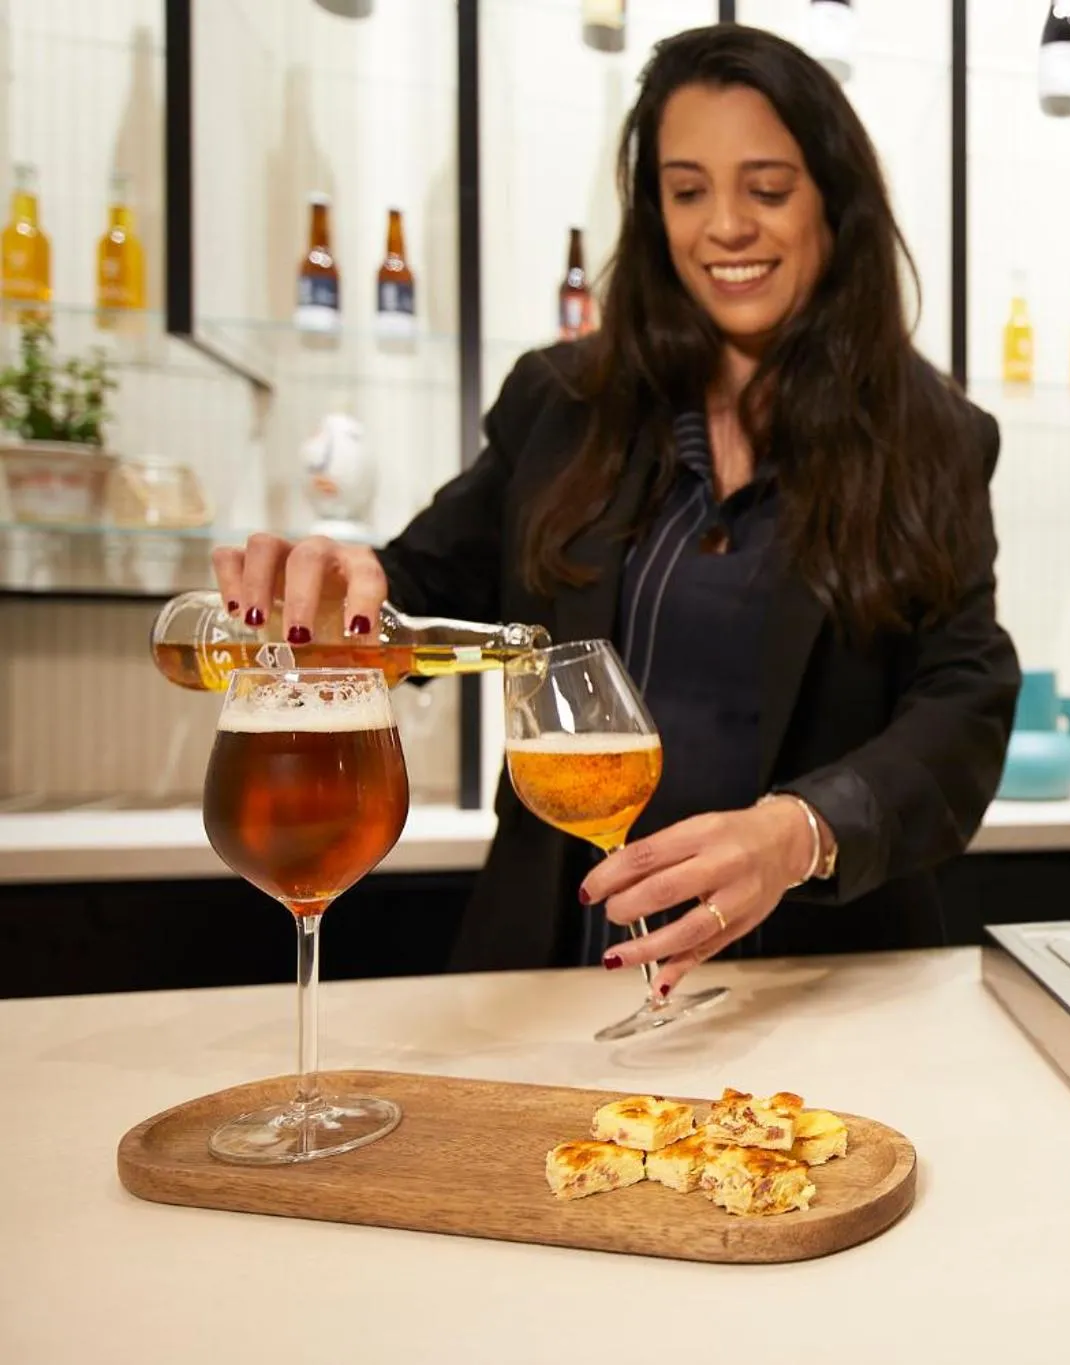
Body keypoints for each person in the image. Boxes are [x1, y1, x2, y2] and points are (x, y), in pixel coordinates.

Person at [208, 25, 1020, 995]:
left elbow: (964, 706)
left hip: (816, 973)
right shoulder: (560, 405)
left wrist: (799, 833)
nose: (724, 226)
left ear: (833, 206)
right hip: (561, 961)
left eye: (766, 188)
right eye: (687, 190)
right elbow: (420, 592)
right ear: (653, 211)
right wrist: (346, 588)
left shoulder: (929, 439)